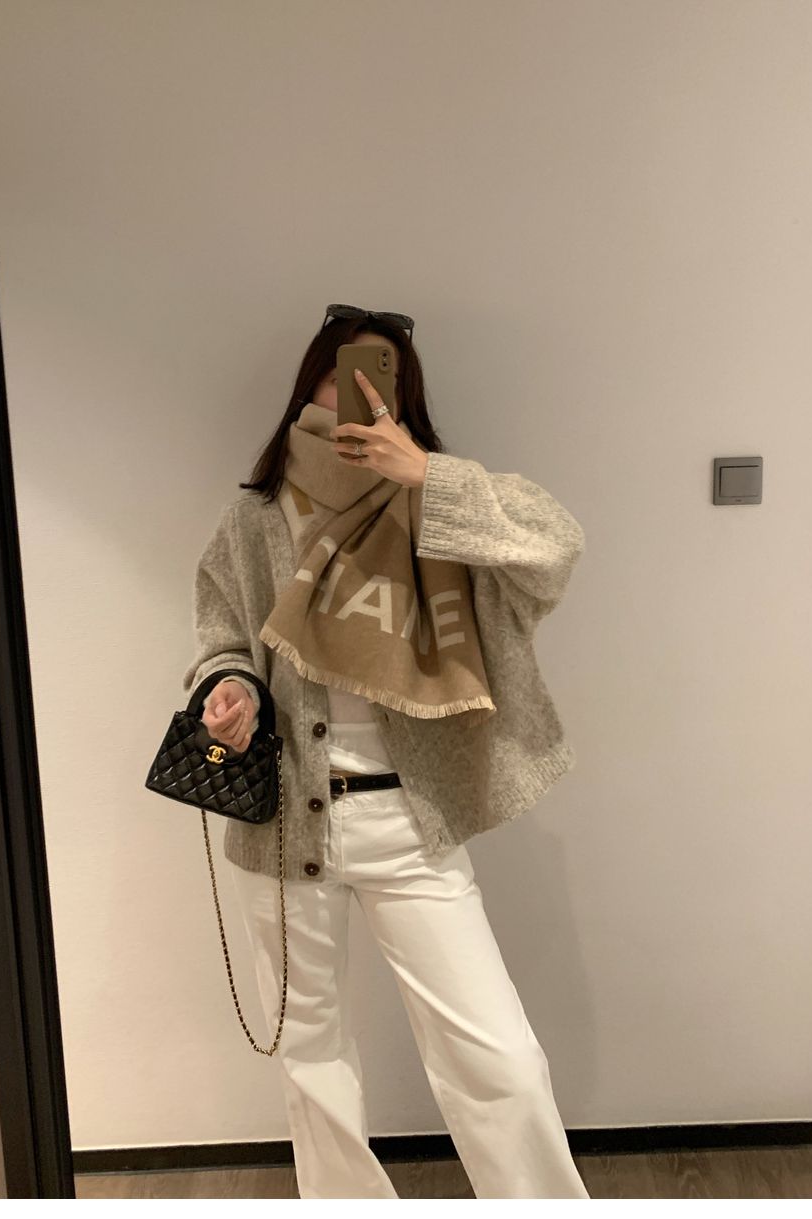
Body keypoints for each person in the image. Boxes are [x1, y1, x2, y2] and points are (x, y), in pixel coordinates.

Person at [184, 304, 589, 1199]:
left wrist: (428, 476)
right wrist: (230, 687)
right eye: (347, 375)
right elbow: (222, 636)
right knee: (312, 1060)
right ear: (313, 384)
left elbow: (555, 549)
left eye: (386, 380)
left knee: (501, 1059)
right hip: (286, 822)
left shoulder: (440, 507)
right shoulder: (255, 519)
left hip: (412, 821)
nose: (365, 395)